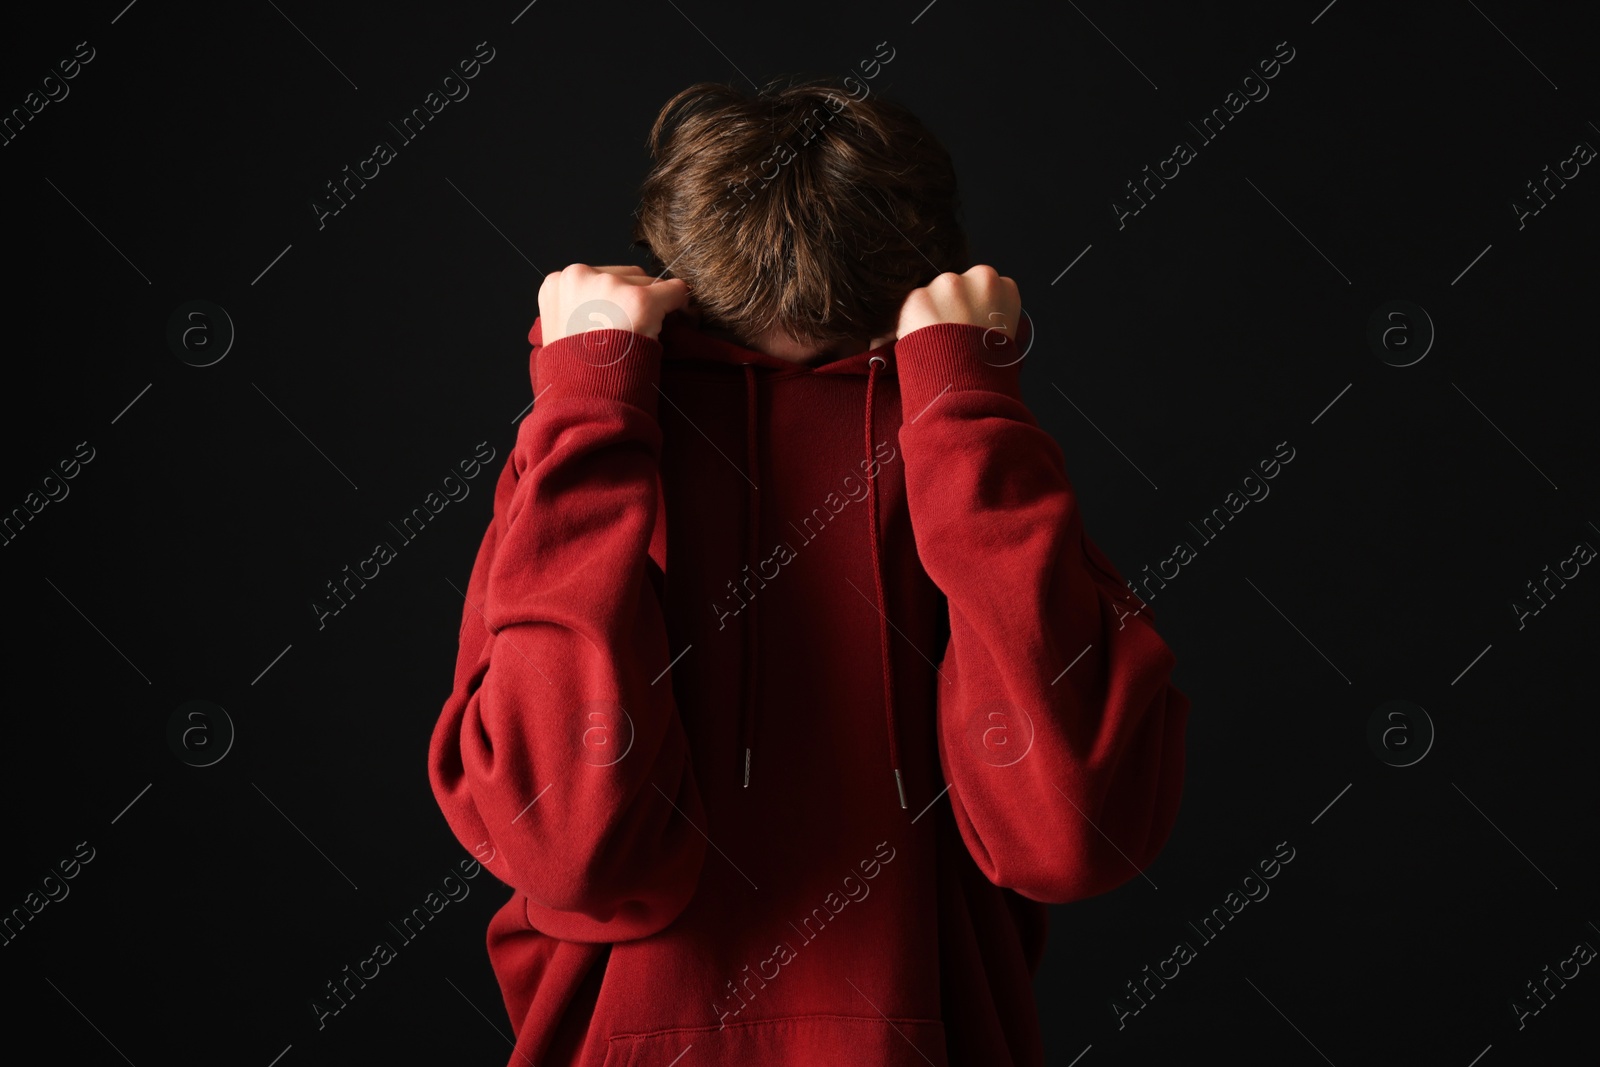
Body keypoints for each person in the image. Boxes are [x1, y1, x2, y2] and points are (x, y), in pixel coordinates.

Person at [428, 77, 1190, 1067]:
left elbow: (1067, 837)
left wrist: (960, 412)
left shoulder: (952, 439)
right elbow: (575, 850)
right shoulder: (606, 444)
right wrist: (590, 408)